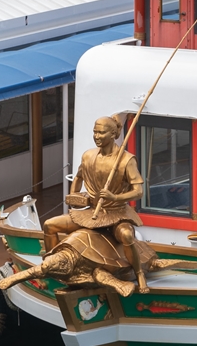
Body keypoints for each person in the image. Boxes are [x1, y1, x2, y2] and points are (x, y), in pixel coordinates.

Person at [42, 114, 147, 289]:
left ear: (113, 134)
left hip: (116, 212)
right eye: (95, 132)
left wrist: (115, 198)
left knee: (127, 236)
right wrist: (74, 196)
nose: (96, 136)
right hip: (91, 211)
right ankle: (52, 264)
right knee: (49, 225)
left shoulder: (126, 160)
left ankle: (139, 273)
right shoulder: (88, 156)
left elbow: (138, 191)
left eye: (101, 133)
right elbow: (78, 177)